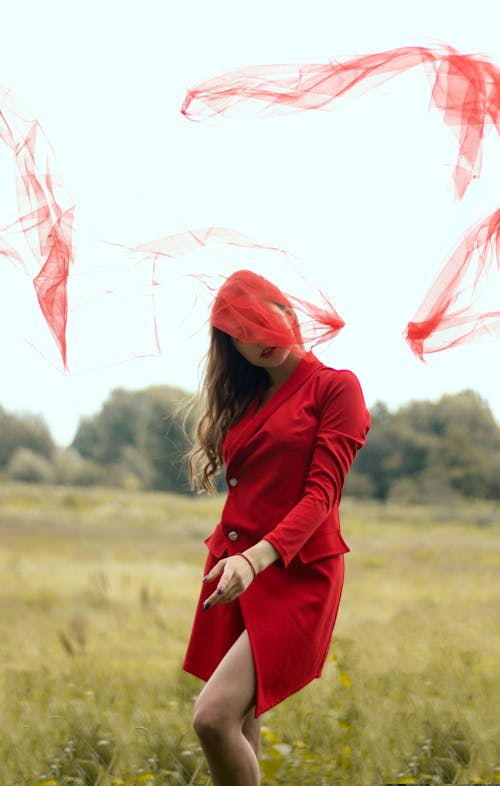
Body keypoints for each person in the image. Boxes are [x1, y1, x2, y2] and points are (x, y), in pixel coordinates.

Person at [183, 269, 370, 786]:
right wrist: (237, 559)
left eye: (263, 321)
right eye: (239, 334)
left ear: (289, 314)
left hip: (295, 571)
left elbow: (320, 498)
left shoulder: (337, 389)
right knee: (241, 721)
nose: (255, 340)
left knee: (212, 718)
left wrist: (255, 558)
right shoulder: (250, 398)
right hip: (235, 567)